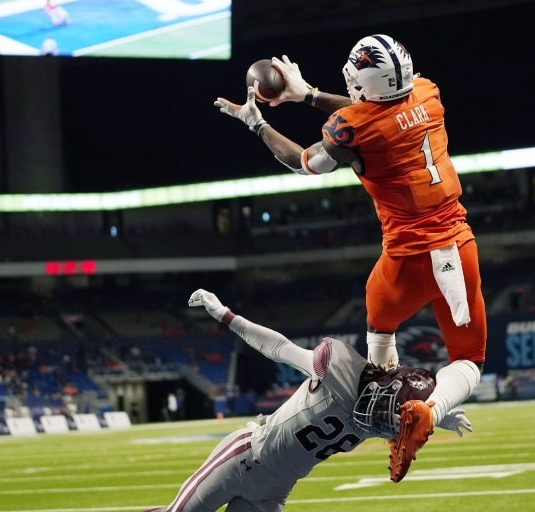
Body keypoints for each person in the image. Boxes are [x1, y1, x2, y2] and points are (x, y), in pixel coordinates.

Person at [214, 34, 486, 479]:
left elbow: (303, 160)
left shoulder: (354, 128)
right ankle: (429, 412)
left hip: (405, 260)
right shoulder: (428, 92)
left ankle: (392, 417)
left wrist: (256, 124)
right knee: (468, 360)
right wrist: (310, 96)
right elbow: (385, 113)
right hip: (458, 245)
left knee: (380, 334)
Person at [145, 289, 472, 512]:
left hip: (276, 487)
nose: (384, 424)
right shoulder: (337, 372)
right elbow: (279, 348)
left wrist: (436, 414)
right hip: (245, 457)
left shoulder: (383, 416)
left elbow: (401, 416)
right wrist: (225, 315)